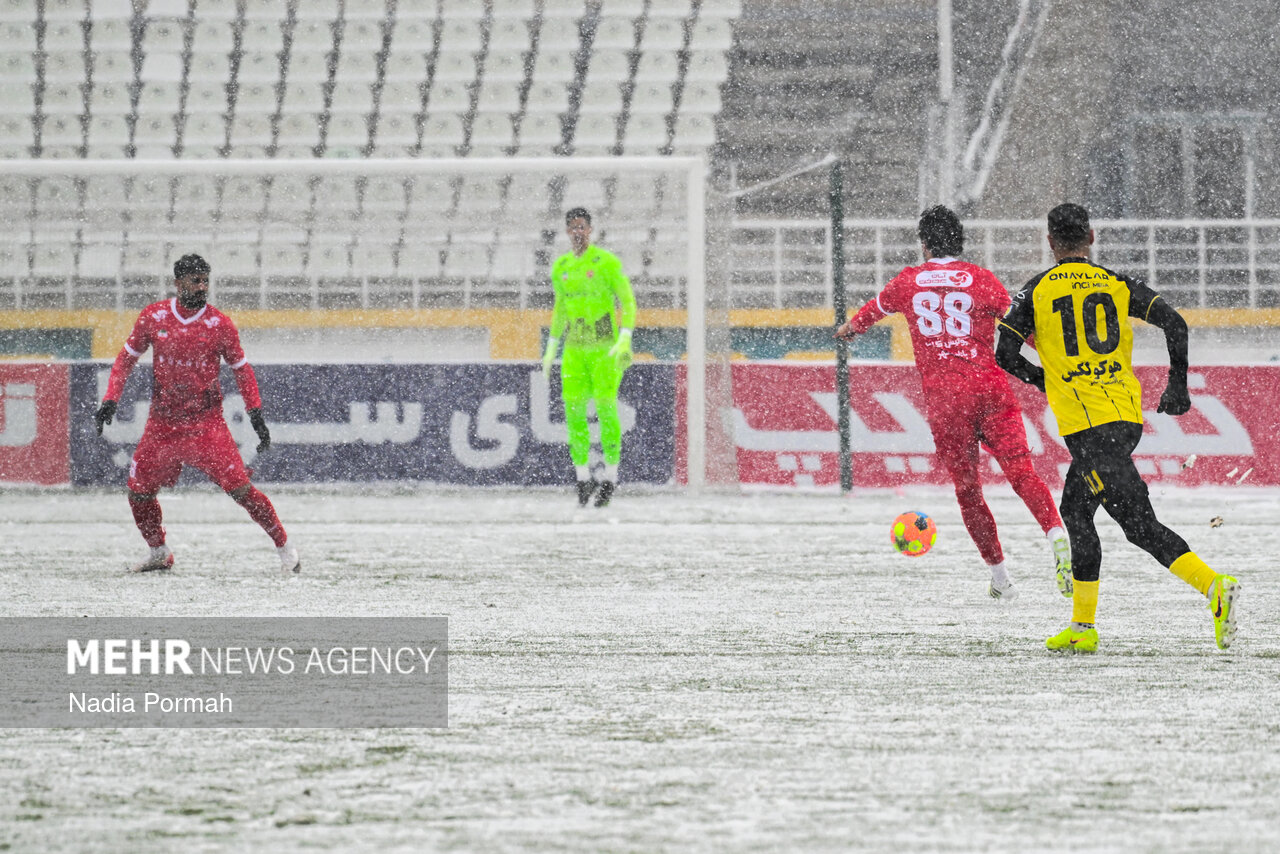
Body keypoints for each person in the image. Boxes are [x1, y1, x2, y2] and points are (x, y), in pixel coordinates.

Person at [996, 203, 1239, 652]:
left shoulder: (1036, 290)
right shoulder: (1116, 282)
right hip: (1124, 417)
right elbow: (1175, 322)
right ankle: (1083, 630)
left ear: (1050, 241)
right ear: (1091, 236)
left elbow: (1004, 354)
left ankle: (1214, 588)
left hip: (1090, 428)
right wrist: (1177, 385)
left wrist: (1042, 378)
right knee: (1076, 512)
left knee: (1140, 527)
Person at [836, 205, 1071, 601]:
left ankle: (1001, 580)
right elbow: (1020, 326)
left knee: (968, 490)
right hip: (990, 388)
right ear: (960, 242)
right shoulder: (981, 279)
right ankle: (1056, 534)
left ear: (925, 243)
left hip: (947, 401)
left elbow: (870, 312)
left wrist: (849, 329)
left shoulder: (908, 282)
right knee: (1022, 472)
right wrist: (1052, 355)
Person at [93, 253, 301, 574]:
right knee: (138, 492)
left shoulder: (220, 325)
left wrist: (255, 411)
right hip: (162, 425)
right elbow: (125, 359)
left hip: (206, 426)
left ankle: (285, 547)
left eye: (206, 280)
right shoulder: (154, 316)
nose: (202, 286)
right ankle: (159, 552)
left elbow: (241, 370)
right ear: (178, 283)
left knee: (241, 490)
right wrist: (110, 399)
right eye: (195, 280)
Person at [541, 207, 637, 508]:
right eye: (572, 227)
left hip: (604, 348)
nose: (577, 232)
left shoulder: (606, 262)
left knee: (607, 409)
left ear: (590, 230)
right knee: (573, 413)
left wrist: (624, 338)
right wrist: (551, 348)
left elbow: (629, 301)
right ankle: (582, 478)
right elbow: (560, 310)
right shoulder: (561, 267)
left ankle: (610, 477)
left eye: (582, 226)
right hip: (574, 349)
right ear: (567, 231)